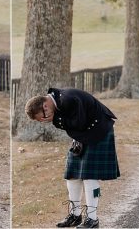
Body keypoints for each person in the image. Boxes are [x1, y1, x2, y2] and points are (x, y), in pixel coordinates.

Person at [25, 88, 119, 229]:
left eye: (43, 118)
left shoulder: (68, 99)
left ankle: (92, 220)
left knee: (90, 177)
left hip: (98, 132)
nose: (45, 121)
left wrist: (55, 119)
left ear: (45, 106)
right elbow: (76, 125)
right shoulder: (58, 101)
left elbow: (78, 123)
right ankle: (75, 215)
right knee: (72, 176)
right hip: (83, 135)